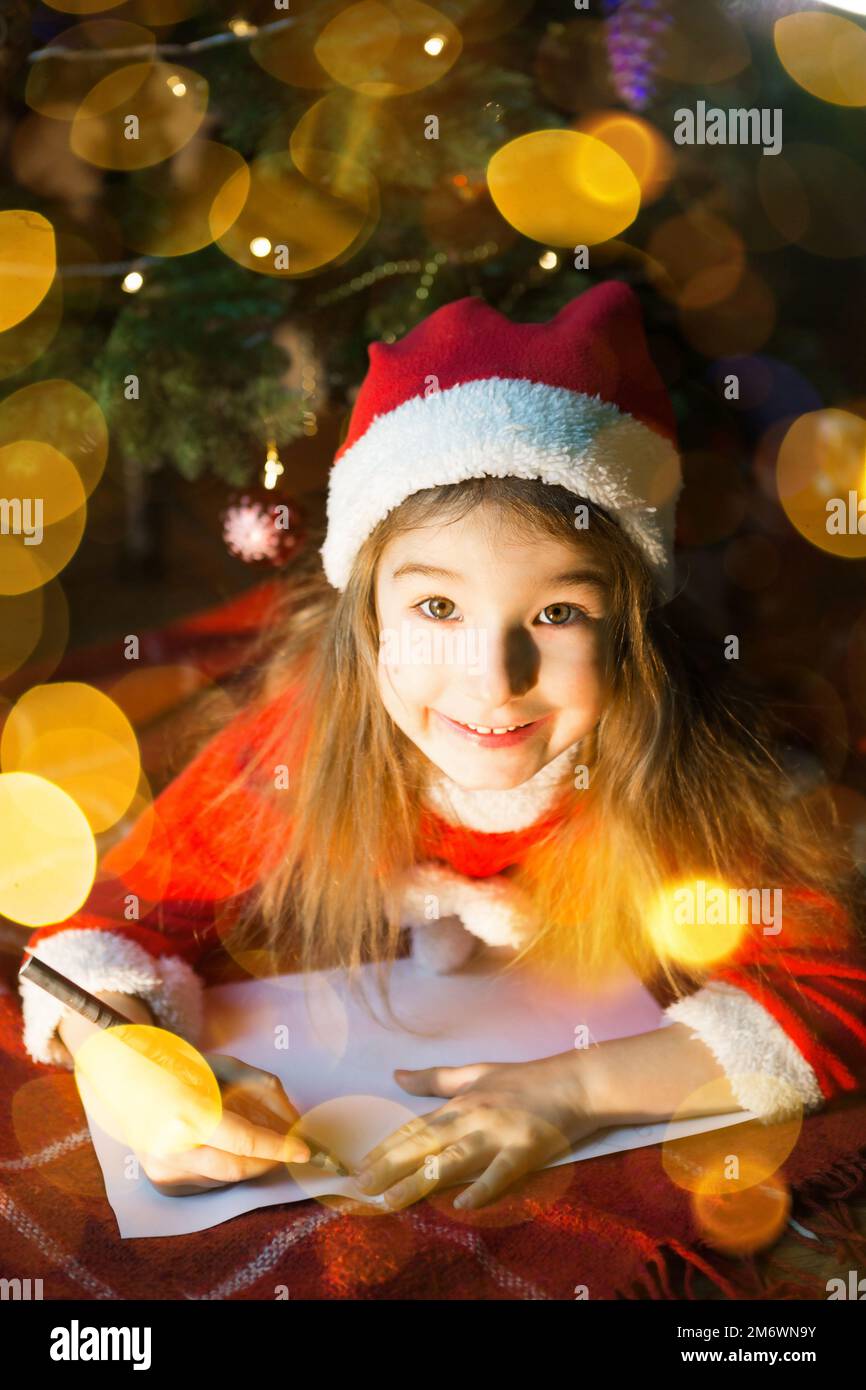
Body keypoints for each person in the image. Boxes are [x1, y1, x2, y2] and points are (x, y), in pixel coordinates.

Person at [19, 281, 866, 1212]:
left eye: (556, 613)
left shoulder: (687, 768)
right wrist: (135, 1073)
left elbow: (835, 991)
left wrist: (573, 1089)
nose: (493, 680)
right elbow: (99, 940)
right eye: (435, 607)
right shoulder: (295, 750)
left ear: (630, 630)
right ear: (367, 623)